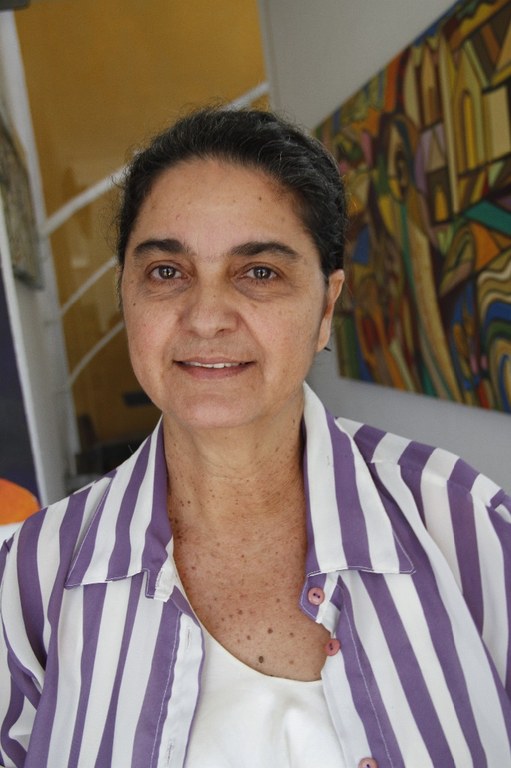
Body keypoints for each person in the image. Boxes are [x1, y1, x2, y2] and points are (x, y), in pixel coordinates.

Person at [0, 107, 510, 768]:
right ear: (126, 295)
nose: (206, 317)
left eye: (260, 272)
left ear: (325, 308)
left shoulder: (464, 524)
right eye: (166, 271)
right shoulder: (32, 575)